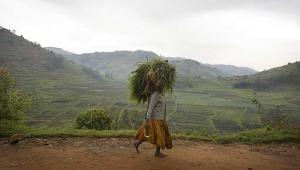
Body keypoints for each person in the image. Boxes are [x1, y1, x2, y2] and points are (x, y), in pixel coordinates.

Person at [134, 90, 173, 157]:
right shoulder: (156, 94)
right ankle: (157, 152)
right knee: (160, 135)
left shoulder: (161, 94)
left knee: (156, 135)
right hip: (155, 119)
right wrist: (147, 120)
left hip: (160, 119)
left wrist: (164, 118)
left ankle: (137, 143)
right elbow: (150, 108)